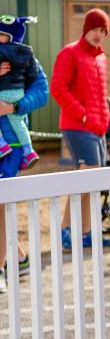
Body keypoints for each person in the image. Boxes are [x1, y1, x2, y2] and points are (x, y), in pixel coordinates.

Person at [51, 8, 110, 251]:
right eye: (95, 29)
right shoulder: (70, 53)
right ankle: (66, 230)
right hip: (77, 126)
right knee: (85, 177)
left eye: (103, 30)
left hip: (98, 128)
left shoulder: (101, 57)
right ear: (86, 29)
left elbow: (101, 95)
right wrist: (83, 115)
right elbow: (58, 88)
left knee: (92, 180)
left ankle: (86, 232)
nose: (99, 34)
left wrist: (104, 119)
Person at [0, 56, 49, 292]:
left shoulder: (22, 55)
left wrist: (15, 106)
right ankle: (18, 258)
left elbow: (42, 91)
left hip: (13, 147)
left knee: (1, 206)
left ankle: (2, 269)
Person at [0, 15, 40, 170]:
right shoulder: (27, 53)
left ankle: (2, 145)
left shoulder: (2, 50)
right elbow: (33, 75)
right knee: (19, 123)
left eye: (1, 34)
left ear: (11, 36)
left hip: (3, 92)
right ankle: (29, 151)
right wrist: (22, 86)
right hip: (18, 93)